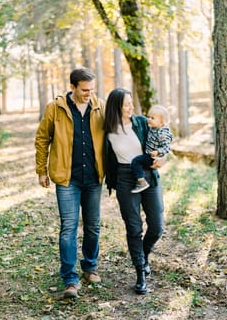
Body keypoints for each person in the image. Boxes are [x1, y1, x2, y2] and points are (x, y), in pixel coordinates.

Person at [35, 67, 105, 298]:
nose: (89, 94)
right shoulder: (55, 108)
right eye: (85, 90)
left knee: (93, 225)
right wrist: (41, 170)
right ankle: (70, 279)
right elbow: (42, 138)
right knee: (68, 228)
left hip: (94, 178)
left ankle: (90, 267)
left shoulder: (99, 106)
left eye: (92, 89)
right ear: (73, 87)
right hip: (67, 179)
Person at [104, 88, 165, 295]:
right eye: (126, 104)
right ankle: (140, 273)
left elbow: (162, 138)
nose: (131, 108)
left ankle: (144, 256)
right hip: (123, 177)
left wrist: (163, 158)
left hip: (148, 175)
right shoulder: (106, 129)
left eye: (131, 103)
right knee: (134, 228)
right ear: (116, 107)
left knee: (157, 226)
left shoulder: (140, 122)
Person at [131, 105, 173, 193]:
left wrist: (158, 152)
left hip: (154, 157)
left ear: (161, 123)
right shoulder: (153, 128)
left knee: (136, 161)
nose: (149, 119)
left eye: (152, 118)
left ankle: (141, 181)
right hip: (150, 154)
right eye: (148, 117)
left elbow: (167, 147)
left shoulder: (162, 133)